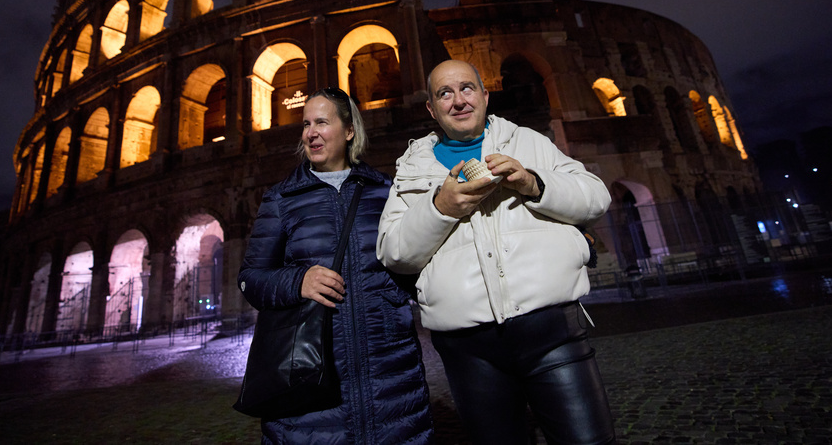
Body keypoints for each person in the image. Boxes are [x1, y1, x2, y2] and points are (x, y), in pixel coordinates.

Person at [378, 60, 617, 445]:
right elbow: (394, 253)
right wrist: (440, 207)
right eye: (444, 93)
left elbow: (595, 197)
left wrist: (532, 182)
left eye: (467, 88)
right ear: (431, 108)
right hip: (469, 350)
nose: (458, 100)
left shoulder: (527, 140)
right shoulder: (412, 166)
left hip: (551, 332)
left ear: (485, 96)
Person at [239, 87, 433, 444]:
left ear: (348, 131)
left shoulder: (386, 192)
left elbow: (410, 265)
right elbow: (251, 280)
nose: (310, 132)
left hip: (390, 372)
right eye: (306, 123)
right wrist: (298, 280)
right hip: (310, 376)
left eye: (322, 122)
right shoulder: (281, 199)